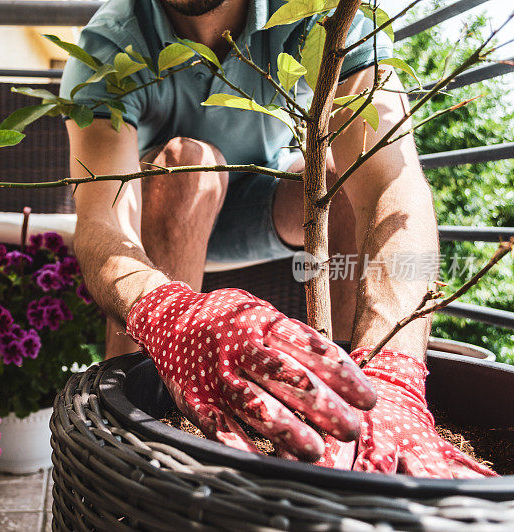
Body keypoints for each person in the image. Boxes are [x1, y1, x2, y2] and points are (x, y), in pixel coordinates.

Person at [59, 0, 494, 477]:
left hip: (258, 203)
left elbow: (391, 182)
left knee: (338, 177)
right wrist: (169, 312)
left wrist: (397, 371)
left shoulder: (320, 12)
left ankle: (352, 407)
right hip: (161, 209)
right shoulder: (112, 41)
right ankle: (133, 442)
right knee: (191, 163)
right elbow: (101, 218)